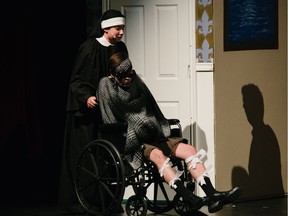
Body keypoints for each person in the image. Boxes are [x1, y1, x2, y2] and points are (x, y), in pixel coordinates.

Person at [97, 52, 243, 213]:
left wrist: (157, 124)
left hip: (153, 132)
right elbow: (109, 120)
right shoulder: (105, 86)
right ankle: (189, 198)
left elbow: (151, 105)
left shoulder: (136, 81)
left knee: (190, 151)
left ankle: (212, 194)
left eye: (129, 73)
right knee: (158, 156)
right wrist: (125, 138)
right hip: (133, 139)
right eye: (123, 75)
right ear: (113, 75)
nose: (128, 78)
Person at [58, 10, 129, 214]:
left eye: (123, 28)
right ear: (106, 28)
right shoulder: (89, 48)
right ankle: (82, 202)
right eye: (118, 28)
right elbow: (77, 79)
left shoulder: (120, 48)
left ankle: (106, 201)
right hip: (86, 114)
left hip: (108, 110)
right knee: (86, 155)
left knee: (107, 158)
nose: (121, 32)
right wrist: (86, 97)